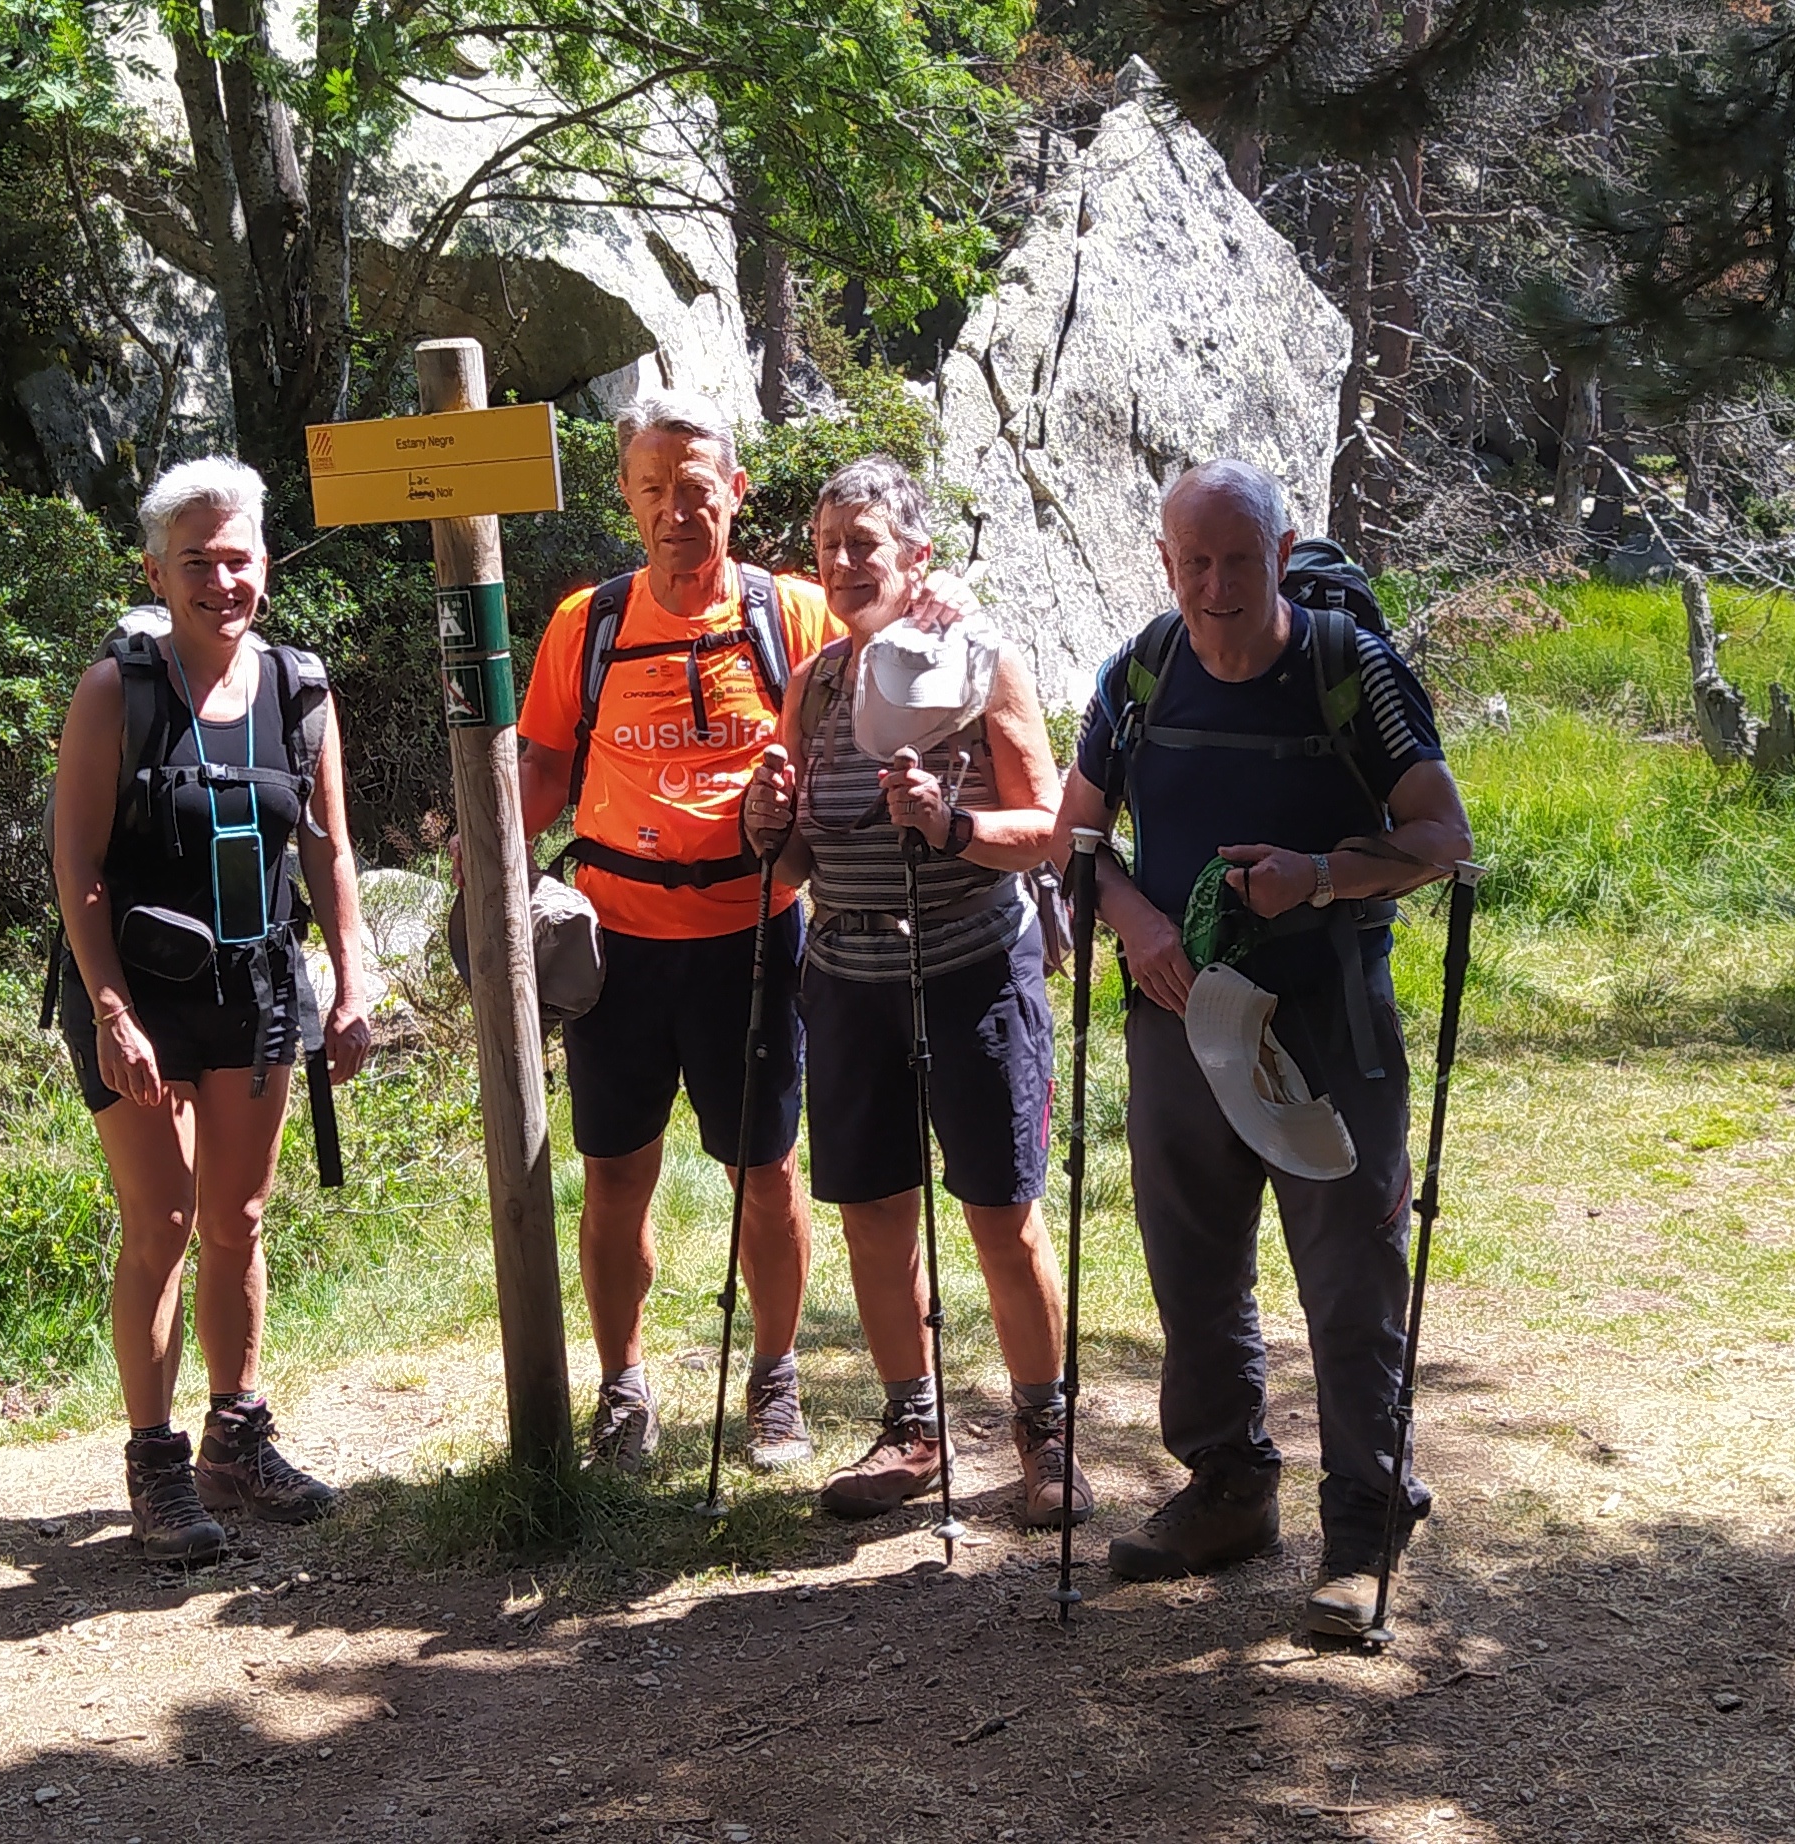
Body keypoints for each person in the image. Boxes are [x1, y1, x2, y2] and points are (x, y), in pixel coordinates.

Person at [1051, 458, 1474, 1637]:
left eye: (1239, 560)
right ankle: (1227, 1485)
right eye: (1193, 562)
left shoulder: (1351, 668)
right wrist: (1138, 926)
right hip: (1179, 1014)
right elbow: (1074, 836)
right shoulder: (1138, 671)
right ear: (1164, 561)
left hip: (1328, 1016)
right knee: (1190, 1261)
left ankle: (1363, 1528)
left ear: (1280, 555)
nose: (1216, 585)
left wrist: (1319, 877)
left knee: (1349, 1275)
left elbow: (1442, 834)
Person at [740, 457, 1091, 1528]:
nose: (844, 564)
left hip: (974, 971)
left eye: (866, 544)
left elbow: (1054, 830)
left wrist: (949, 823)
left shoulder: (983, 664)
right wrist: (767, 826)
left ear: (914, 556)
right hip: (848, 980)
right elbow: (797, 863)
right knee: (873, 1216)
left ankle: (1046, 1433)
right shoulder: (815, 685)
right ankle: (913, 1427)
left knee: (1001, 1215)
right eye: (829, 546)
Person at [47, 456, 379, 1560]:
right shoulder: (118, 692)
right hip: (140, 997)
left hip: (257, 988)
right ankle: (156, 1461)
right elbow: (78, 865)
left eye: (237, 559)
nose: (220, 581)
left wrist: (351, 980)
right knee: (163, 1221)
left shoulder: (299, 691)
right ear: (156, 571)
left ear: (266, 566)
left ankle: (233, 1444)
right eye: (195, 562)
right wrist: (110, 1009)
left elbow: (330, 851)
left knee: (237, 1217)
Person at [517, 390, 845, 1472]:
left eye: (695, 488)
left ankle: (775, 1382)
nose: (675, 510)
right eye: (652, 489)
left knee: (766, 1170)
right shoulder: (588, 623)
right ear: (625, 496)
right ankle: (624, 1389)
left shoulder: (795, 615)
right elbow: (544, 769)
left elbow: (873, 712)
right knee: (616, 1175)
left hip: (754, 933)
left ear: (735, 492)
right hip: (614, 949)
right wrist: (488, 853)